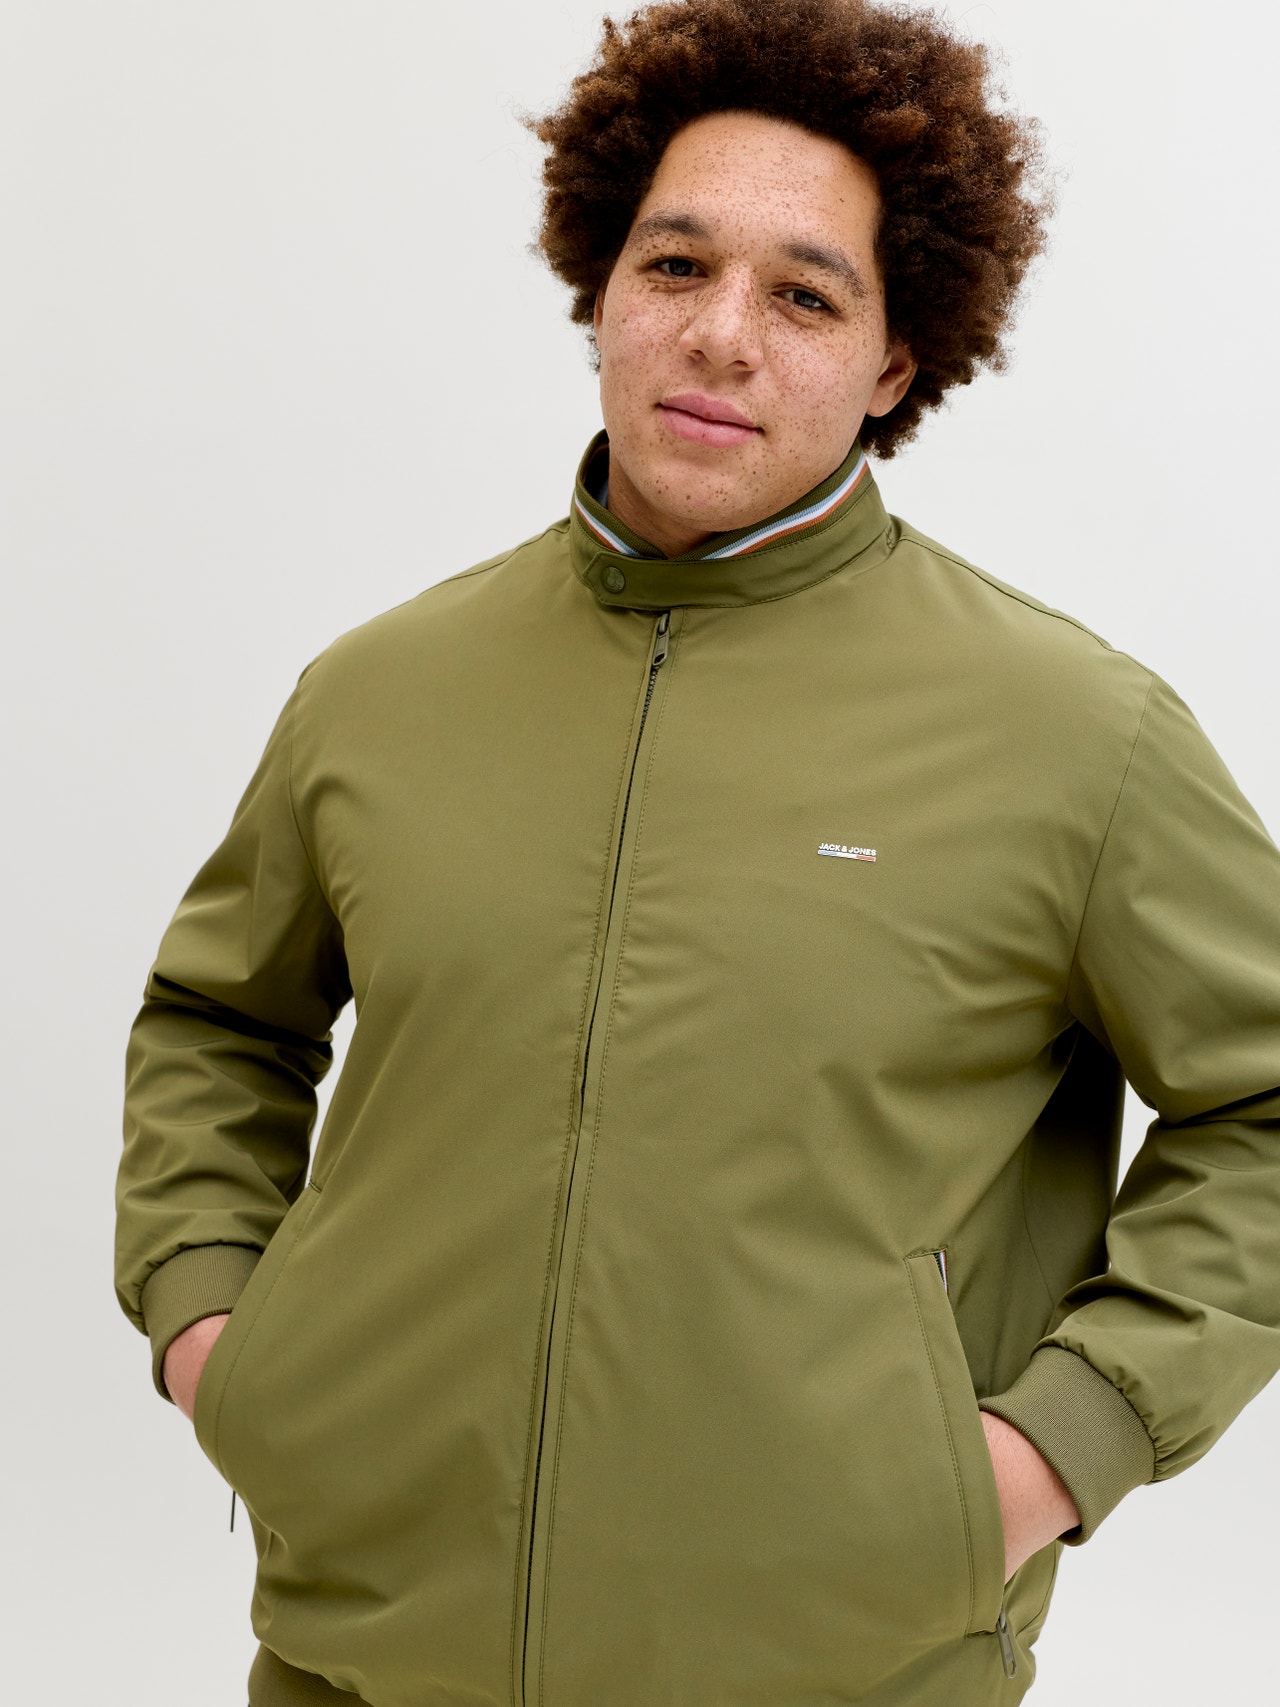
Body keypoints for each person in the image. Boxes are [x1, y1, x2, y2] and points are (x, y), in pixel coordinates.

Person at [114, 1, 1280, 1703]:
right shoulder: (378, 692)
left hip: (841, 1665)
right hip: (357, 1658)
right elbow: (220, 1022)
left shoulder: (1075, 735)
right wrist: (222, 1334)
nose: (721, 335)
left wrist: (1051, 1449)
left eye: (806, 296)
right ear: (602, 290)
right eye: (675, 266)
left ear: (896, 365)